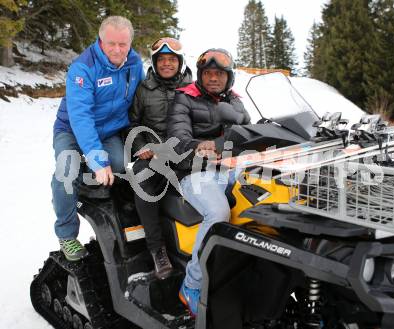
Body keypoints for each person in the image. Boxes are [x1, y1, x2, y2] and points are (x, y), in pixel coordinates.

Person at [51, 16, 144, 261]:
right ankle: (67, 234)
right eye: (111, 43)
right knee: (66, 172)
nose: (117, 49)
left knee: (120, 164)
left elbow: (144, 96)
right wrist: (95, 158)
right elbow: (80, 117)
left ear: (130, 43)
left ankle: (94, 185)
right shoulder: (83, 67)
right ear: (100, 41)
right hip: (71, 128)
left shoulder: (134, 63)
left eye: (122, 44)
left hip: (109, 130)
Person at [167, 48, 251, 316]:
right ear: (201, 76)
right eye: (208, 73)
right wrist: (202, 146)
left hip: (231, 168)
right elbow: (178, 139)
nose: (213, 78)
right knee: (218, 212)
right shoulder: (184, 98)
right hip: (194, 172)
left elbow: (250, 130)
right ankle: (191, 285)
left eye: (219, 74)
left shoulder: (236, 101)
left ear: (229, 77)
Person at [128, 37, 192, 279]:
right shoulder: (144, 90)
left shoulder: (191, 86)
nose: (167, 64)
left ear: (180, 61)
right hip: (154, 152)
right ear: (155, 63)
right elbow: (132, 123)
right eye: (161, 60)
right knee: (141, 181)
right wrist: (141, 146)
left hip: (185, 149)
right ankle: (158, 250)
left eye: (171, 59)